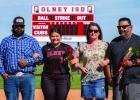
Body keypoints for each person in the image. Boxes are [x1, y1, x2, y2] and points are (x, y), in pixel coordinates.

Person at [0, 16, 43, 100]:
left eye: (21, 26)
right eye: (17, 26)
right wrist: (2, 72)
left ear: (24, 27)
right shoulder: (5, 41)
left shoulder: (31, 40)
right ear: (13, 27)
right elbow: (0, 58)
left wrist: (28, 61)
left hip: (28, 76)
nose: (19, 28)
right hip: (10, 77)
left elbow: (40, 56)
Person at [71, 22, 112, 100]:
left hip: (100, 78)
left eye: (95, 31)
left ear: (99, 33)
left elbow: (112, 58)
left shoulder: (105, 44)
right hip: (86, 79)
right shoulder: (82, 46)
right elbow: (74, 61)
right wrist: (80, 67)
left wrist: (107, 61)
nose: (93, 32)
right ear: (88, 32)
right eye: (90, 30)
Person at [106, 17, 140, 100]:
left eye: (124, 27)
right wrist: (109, 78)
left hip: (134, 80)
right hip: (117, 81)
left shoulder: (138, 41)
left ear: (130, 27)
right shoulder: (114, 42)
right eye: (119, 27)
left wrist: (132, 63)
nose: (121, 29)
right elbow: (107, 61)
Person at [40, 26, 74, 100]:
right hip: (48, 78)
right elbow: (40, 62)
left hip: (63, 78)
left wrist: (74, 60)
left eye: (57, 36)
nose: (55, 38)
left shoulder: (67, 47)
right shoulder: (45, 48)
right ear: (49, 37)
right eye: (52, 36)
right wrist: (35, 58)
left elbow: (73, 60)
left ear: (60, 37)